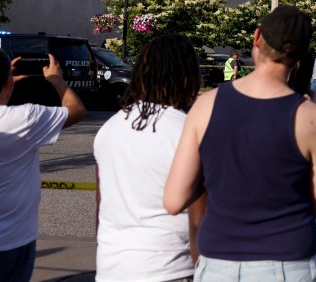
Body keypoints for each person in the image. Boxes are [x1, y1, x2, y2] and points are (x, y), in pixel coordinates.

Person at [164, 5, 316, 281]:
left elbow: (174, 200)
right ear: (304, 55)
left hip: (218, 262)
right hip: (288, 262)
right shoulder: (312, 118)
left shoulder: (205, 106)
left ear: (257, 38)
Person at [93, 34, 204, 282]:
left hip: (112, 267)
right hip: (171, 267)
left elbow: (102, 209)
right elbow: (200, 221)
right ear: (188, 77)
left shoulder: (108, 129)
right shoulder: (188, 130)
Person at [0, 51, 85, 282]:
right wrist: (56, 80)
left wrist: (7, 82)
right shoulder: (23, 118)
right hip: (12, 242)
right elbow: (76, 110)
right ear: (8, 81)